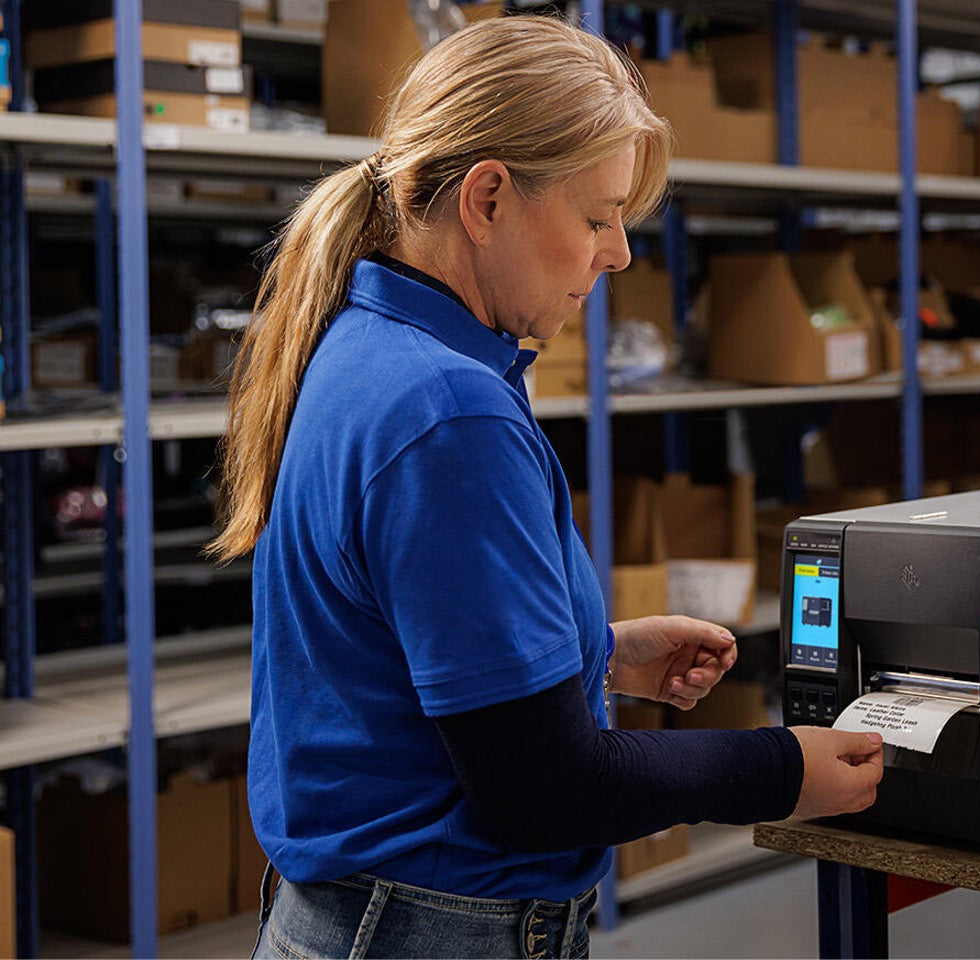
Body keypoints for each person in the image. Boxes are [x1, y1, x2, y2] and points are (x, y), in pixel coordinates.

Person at [209, 15, 883, 960]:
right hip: (433, 930)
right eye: (598, 217)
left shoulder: (375, 349)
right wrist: (780, 768)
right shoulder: (449, 410)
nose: (620, 256)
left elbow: (401, 642)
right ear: (487, 199)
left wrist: (588, 654)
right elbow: (546, 790)